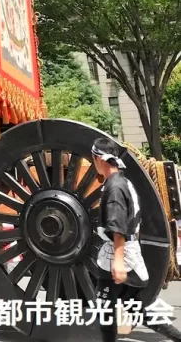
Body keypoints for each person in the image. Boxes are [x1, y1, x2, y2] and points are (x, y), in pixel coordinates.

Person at [91, 138, 181, 342]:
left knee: (117, 309)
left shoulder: (115, 187)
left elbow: (118, 226)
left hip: (118, 254)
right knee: (116, 309)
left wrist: (119, 261)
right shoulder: (122, 181)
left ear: (98, 158)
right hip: (120, 253)